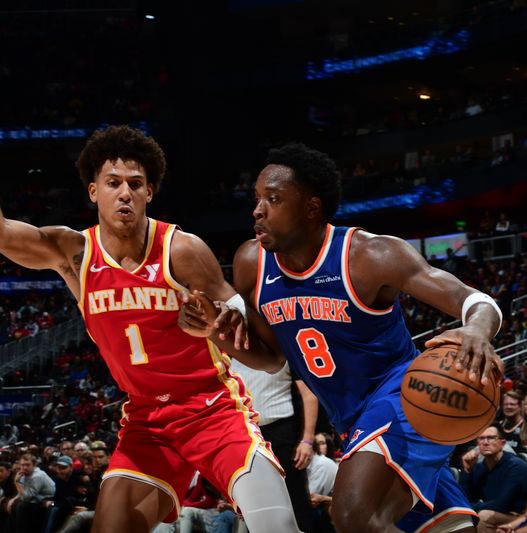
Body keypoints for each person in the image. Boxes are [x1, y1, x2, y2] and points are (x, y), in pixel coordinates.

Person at [181, 143, 504, 532]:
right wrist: (218, 334)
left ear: (311, 208)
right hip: (350, 420)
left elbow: (472, 300)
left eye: (274, 199)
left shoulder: (370, 255)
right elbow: (273, 358)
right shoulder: (252, 263)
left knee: (351, 516)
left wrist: (476, 328)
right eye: (257, 198)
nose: (258, 210)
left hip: (408, 397)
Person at [0, 125, 297, 533]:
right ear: (93, 191)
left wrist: (217, 329)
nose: (125, 192)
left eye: (136, 184)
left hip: (212, 409)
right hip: (146, 419)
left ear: (149, 193)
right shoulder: (73, 254)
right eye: (113, 183)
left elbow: (267, 356)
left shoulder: (182, 250)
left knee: (276, 525)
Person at [229, 359, 318, 532]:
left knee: (296, 502)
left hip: (282, 432)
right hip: (246, 433)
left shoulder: (281, 349)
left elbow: (310, 395)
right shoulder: (228, 354)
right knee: (254, 506)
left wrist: (307, 440)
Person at [459, 423, 527, 533]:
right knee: (458, 516)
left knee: (484, 516)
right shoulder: (480, 466)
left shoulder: (516, 466)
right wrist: (467, 470)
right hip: (494, 512)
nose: (485, 442)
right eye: (481, 438)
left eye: (491, 438)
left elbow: (502, 504)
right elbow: (464, 498)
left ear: (502, 443)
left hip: (518, 517)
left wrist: (470, 507)